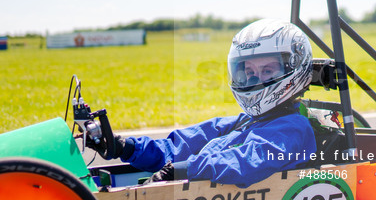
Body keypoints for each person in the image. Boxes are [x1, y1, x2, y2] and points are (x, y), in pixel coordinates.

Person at [89, 19, 318, 188]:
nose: (254, 79)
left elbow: (247, 161)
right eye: (249, 71)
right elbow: (183, 144)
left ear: (293, 70)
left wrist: (184, 169)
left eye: (267, 70)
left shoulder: (292, 129)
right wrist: (125, 147)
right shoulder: (244, 122)